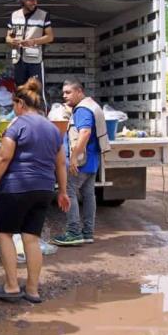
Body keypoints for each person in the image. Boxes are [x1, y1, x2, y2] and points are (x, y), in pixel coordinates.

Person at [0, 78, 71, 304]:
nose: (14, 109)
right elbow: (60, 163)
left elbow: (3, 158)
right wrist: (62, 191)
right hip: (44, 188)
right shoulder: (53, 130)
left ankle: (12, 286)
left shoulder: (17, 125)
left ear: (21, 104)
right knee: (31, 238)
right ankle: (32, 290)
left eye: (14, 105)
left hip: (17, 187)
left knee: (5, 233)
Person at [53, 79, 111, 247]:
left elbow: (85, 132)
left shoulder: (82, 110)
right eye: (63, 93)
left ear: (79, 91)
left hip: (81, 161)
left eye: (68, 92)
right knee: (88, 195)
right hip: (92, 161)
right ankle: (87, 233)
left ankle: (73, 233)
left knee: (69, 192)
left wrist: (73, 157)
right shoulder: (92, 105)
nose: (64, 96)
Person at [6, 0, 55, 89]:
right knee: (20, 89)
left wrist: (33, 41)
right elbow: (8, 37)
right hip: (17, 59)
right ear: (23, 0)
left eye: (36, 0)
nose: (35, 3)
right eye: (31, 0)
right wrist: (11, 40)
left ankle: (38, 103)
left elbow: (50, 37)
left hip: (34, 60)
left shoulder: (43, 15)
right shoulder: (14, 15)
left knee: (36, 89)